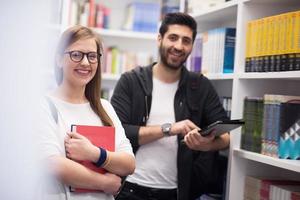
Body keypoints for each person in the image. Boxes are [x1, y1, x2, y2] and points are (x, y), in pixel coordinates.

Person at [111, 12, 230, 200]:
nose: (179, 46)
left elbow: (225, 136)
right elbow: (118, 132)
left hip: (177, 193)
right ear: (159, 39)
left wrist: (205, 145)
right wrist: (169, 129)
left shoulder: (200, 85)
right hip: (129, 189)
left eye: (186, 41)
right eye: (173, 38)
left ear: (192, 46)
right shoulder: (131, 81)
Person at [38, 25, 135, 200]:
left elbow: (129, 163)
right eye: (76, 54)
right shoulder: (42, 105)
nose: (85, 62)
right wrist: (104, 183)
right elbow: (53, 165)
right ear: (59, 59)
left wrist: (94, 153)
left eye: (92, 56)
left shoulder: (105, 108)